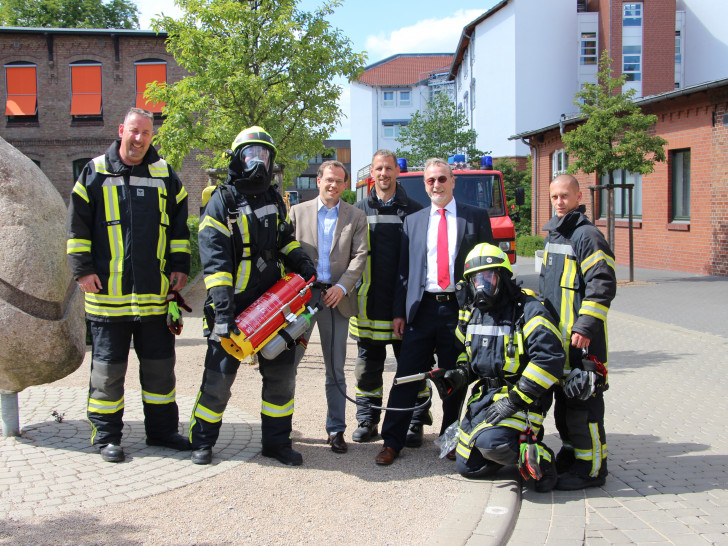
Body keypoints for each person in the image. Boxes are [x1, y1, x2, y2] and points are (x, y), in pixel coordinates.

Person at [66, 107, 191, 463]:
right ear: (122, 130)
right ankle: (106, 436)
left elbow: (180, 228)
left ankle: (163, 432)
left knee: (160, 369)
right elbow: (76, 227)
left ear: (152, 136)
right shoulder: (94, 171)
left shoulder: (165, 173)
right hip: (108, 297)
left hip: (153, 297)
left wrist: (180, 266)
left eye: (146, 133)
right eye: (134, 131)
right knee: (108, 372)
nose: (139, 139)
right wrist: (82, 270)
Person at [189, 127, 316, 466]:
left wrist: (300, 259)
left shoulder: (274, 199)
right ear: (237, 158)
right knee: (218, 381)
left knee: (281, 379)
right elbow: (214, 262)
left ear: (271, 159)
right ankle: (202, 441)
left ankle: (276, 443)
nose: (257, 161)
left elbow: (283, 240)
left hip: (273, 306)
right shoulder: (222, 199)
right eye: (250, 154)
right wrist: (224, 310)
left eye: (262, 154)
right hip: (231, 306)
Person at [375, 158, 494, 465]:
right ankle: (392, 441)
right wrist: (399, 312)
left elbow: (490, 269)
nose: (437, 185)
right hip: (422, 309)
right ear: (425, 184)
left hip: (460, 311)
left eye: (442, 179)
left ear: (453, 181)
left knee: (456, 379)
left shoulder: (475, 217)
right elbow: (404, 272)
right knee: (406, 377)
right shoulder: (414, 221)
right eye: (431, 181)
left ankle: (450, 438)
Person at [433, 243, 564, 491]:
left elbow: (549, 359)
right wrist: (458, 375)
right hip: (486, 399)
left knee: (492, 444)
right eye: (476, 280)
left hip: (523, 400)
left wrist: (514, 400)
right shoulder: (472, 312)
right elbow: (467, 357)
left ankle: (541, 459)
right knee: (468, 467)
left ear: (502, 277)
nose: (482, 286)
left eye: (488, 278)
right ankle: (514, 449)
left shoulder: (528, 310)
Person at [539, 174, 616, 490]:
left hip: (583, 343)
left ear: (579, 196)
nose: (559, 202)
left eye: (565, 196)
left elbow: (603, 285)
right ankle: (572, 456)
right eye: (555, 196)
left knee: (585, 406)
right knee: (566, 404)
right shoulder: (555, 236)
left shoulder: (587, 236)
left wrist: (584, 327)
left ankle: (593, 469)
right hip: (560, 342)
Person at [348, 150, 427, 445]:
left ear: (397, 172)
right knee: (367, 367)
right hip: (368, 307)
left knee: (411, 367)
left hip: (405, 307)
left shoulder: (416, 211)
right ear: (372, 172)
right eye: (378, 169)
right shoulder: (357, 211)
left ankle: (415, 421)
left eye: (388, 168)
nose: (383, 174)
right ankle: (367, 420)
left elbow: (419, 263)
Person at [290, 160, 367, 454]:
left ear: (345, 185)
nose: (333, 185)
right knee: (288, 365)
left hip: (336, 300)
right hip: (301, 300)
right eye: (328, 179)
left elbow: (359, 257)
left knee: (335, 369)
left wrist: (342, 286)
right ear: (319, 180)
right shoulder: (297, 213)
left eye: (338, 181)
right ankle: (281, 426)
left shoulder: (356, 216)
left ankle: (336, 429)